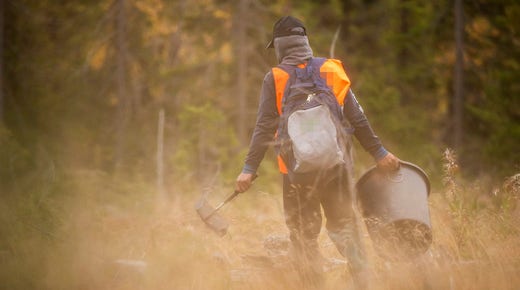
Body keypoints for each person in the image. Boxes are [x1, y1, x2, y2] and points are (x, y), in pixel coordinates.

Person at [235, 16, 400, 287]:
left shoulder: (275, 78)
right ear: (304, 42)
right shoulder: (332, 70)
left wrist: (249, 170)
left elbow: (263, 127)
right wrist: (379, 152)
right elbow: (357, 118)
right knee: (345, 226)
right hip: (337, 169)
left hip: (295, 175)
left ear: (280, 46)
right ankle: (364, 283)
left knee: (303, 236)